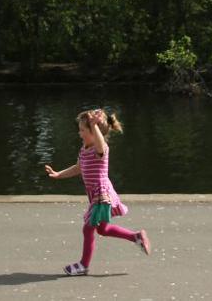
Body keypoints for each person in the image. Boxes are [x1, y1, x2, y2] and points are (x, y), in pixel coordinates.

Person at [45, 108, 151, 276]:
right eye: (79, 129)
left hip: (102, 195)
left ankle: (83, 265)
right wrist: (58, 174)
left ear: (95, 132)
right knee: (102, 229)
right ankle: (136, 237)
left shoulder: (100, 150)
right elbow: (78, 168)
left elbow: (100, 144)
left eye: (83, 130)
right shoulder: (84, 150)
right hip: (95, 196)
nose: (79, 133)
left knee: (88, 229)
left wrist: (94, 126)